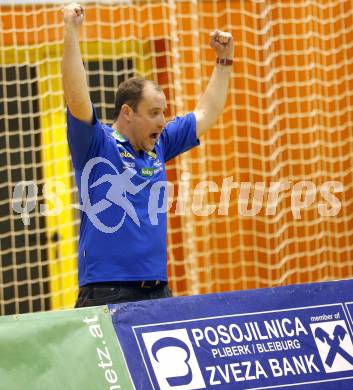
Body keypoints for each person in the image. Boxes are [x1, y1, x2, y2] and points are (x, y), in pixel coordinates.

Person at [62, 3, 234, 307]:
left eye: (164, 113)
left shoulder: (161, 144)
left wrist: (223, 61)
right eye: (154, 113)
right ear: (127, 113)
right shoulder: (96, 143)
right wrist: (72, 33)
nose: (162, 121)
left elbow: (207, 112)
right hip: (107, 293)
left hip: (158, 292)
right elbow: (77, 97)